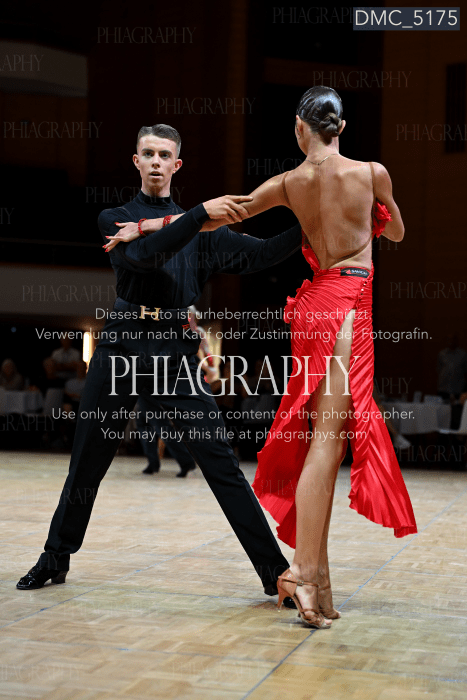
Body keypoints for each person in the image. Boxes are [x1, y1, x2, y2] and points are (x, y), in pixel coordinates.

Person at [16, 123, 303, 601]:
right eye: (147, 153)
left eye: (164, 154)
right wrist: (199, 214)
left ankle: (275, 572)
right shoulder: (117, 217)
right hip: (122, 347)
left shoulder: (203, 232)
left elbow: (265, 254)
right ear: (136, 161)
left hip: (174, 352)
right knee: (87, 461)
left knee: (221, 463)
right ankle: (55, 557)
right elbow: (145, 256)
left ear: (176, 164)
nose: (155, 161)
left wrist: (316, 219)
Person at [224, 87, 418, 628]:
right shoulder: (372, 172)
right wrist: (377, 213)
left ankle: (320, 580)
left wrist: (164, 225)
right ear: (342, 127)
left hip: (313, 306)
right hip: (347, 304)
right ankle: (303, 573)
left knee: (324, 443)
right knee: (327, 443)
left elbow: (233, 210)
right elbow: (398, 231)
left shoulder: (290, 182)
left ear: (299, 127)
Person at [437, 334, 467, 400]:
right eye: (449, 339)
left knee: (457, 405)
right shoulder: (442, 354)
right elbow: (439, 369)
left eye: (453, 339)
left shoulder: (463, 354)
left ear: (456, 341)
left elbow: (465, 370)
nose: (451, 341)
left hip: (458, 389)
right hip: (443, 388)